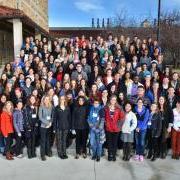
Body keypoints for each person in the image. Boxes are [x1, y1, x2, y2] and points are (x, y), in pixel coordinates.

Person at [105, 95, 125, 161]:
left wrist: (118, 126)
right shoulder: (106, 107)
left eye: (114, 100)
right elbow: (103, 116)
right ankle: (109, 155)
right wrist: (106, 123)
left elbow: (122, 118)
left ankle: (113, 155)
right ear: (110, 100)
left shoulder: (119, 108)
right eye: (112, 99)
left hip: (116, 129)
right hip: (108, 128)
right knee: (109, 142)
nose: (113, 101)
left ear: (116, 100)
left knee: (115, 142)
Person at [88, 97, 105, 162]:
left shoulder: (101, 110)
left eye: (97, 103)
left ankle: (98, 155)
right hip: (92, 129)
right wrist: (91, 126)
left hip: (99, 130)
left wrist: (98, 128)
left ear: (99, 103)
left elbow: (102, 120)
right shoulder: (91, 109)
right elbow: (89, 118)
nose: (96, 104)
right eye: (95, 103)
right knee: (92, 143)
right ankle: (94, 154)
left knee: (99, 143)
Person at [39, 95, 53, 161]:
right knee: (43, 141)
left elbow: (52, 116)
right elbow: (40, 117)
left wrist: (50, 123)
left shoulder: (51, 107)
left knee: (48, 140)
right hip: (43, 127)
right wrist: (47, 123)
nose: (47, 100)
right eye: (45, 99)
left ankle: (48, 152)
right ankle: (42, 155)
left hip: (49, 126)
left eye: (48, 99)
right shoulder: (41, 107)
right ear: (43, 100)